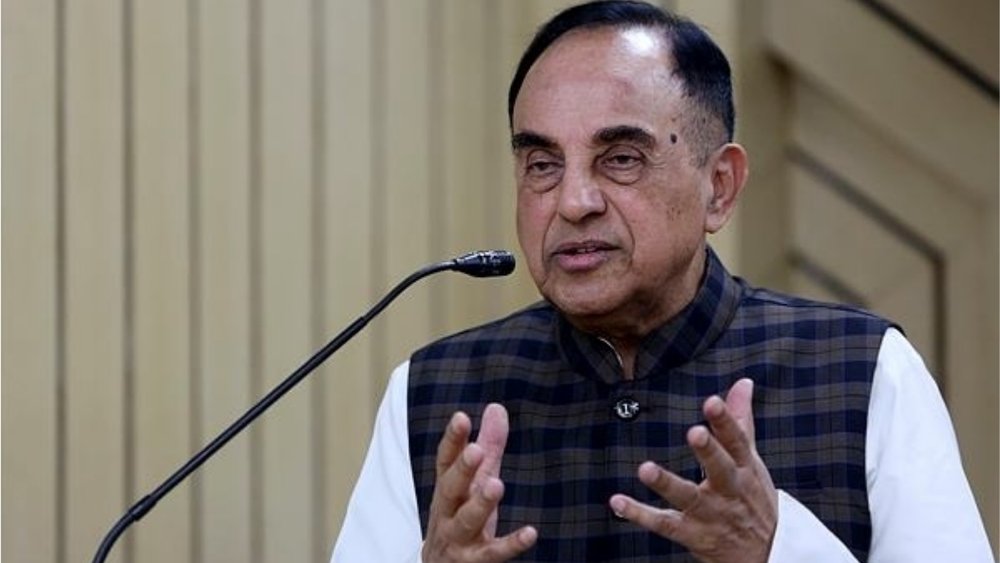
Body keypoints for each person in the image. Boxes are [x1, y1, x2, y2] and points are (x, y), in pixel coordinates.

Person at [331, 1, 993, 561]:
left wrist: (776, 548)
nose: (573, 201)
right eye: (542, 164)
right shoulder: (433, 395)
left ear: (719, 187)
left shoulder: (862, 371)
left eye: (620, 158)